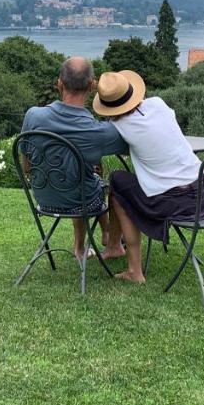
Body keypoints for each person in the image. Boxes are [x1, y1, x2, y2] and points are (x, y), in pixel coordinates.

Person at [94, 69, 204, 283]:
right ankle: (114, 246)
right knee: (123, 185)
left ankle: (134, 269)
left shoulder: (118, 127)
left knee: (117, 181)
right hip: (203, 195)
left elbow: (109, 143)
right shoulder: (159, 104)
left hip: (173, 203)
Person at [20, 57, 127, 261]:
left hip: (44, 199)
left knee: (83, 178)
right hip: (81, 202)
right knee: (106, 181)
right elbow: (129, 143)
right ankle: (107, 237)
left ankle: (84, 246)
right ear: (92, 85)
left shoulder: (33, 115)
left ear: (59, 82)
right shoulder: (95, 130)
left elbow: (26, 166)